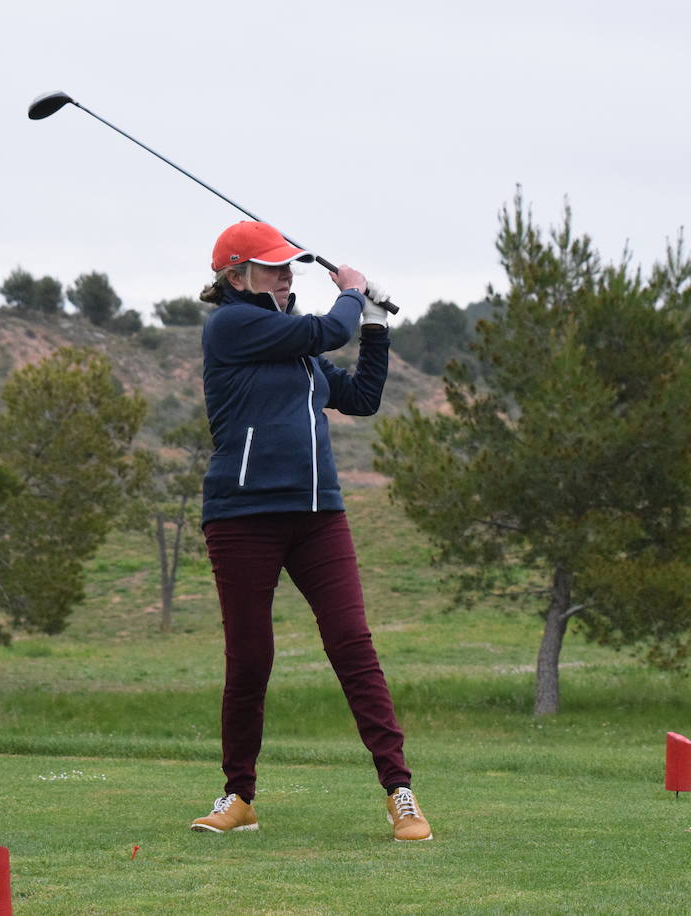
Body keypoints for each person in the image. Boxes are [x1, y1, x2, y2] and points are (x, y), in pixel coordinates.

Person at [188, 220, 431, 842]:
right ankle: (238, 796)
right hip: (242, 516)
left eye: (287, 266)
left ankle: (400, 792)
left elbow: (363, 398)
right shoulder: (233, 326)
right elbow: (328, 326)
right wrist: (351, 290)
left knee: (353, 645)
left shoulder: (303, 356)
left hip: (319, 515)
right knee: (251, 659)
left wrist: (375, 322)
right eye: (272, 267)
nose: (285, 274)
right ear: (236, 276)